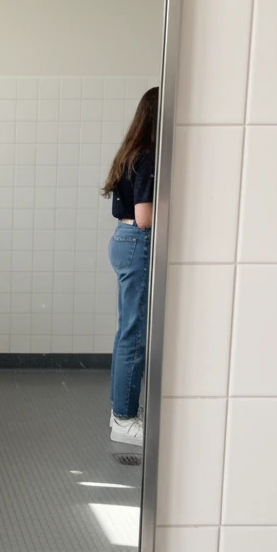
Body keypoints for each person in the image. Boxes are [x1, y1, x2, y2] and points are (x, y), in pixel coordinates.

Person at [102, 86, 159, 448]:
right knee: (133, 334)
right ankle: (123, 419)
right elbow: (144, 216)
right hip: (137, 242)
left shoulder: (131, 152)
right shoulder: (150, 156)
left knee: (130, 331)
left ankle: (122, 413)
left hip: (123, 241)